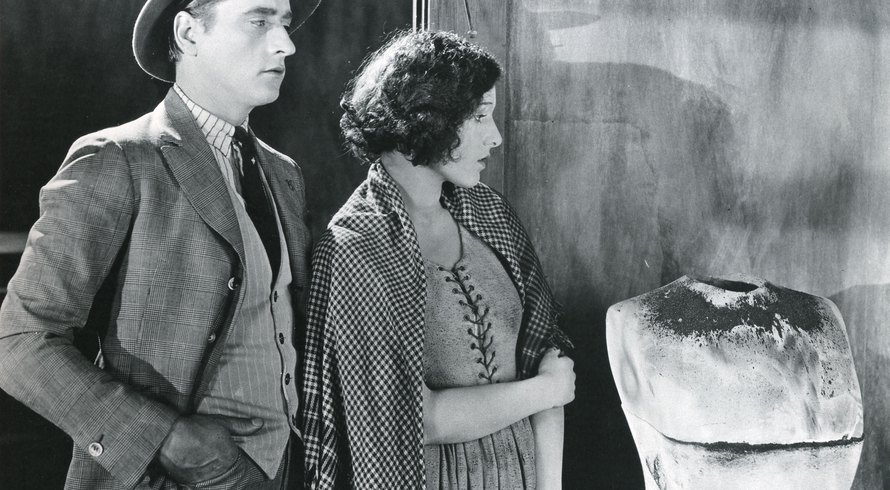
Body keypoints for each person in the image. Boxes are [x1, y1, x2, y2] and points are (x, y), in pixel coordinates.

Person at [0, 0, 319, 488]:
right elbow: (20, 340)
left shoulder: (284, 173)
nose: (285, 45)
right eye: (259, 21)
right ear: (188, 34)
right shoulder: (118, 158)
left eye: (285, 25)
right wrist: (166, 440)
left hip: (291, 471)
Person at [301, 30, 576, 489]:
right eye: (479, 117)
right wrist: (543, 391)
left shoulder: (491, 214)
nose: (496, 137)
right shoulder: (354, 247)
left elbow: (547, 356)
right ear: (426, 117)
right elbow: (417, 419)